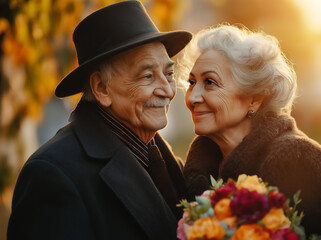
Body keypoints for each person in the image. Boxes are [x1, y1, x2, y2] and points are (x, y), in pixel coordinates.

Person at [7, 1, 192, 239]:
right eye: (147, 76)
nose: (167, 90)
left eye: (169, 74)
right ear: (101, 88)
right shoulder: (53, 174)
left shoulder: (162, 156)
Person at [176, 24, 321, 239]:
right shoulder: (199, 167)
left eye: (210, 82)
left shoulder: (299, 158)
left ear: (254, 98)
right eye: (191, 82)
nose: (192, 97)